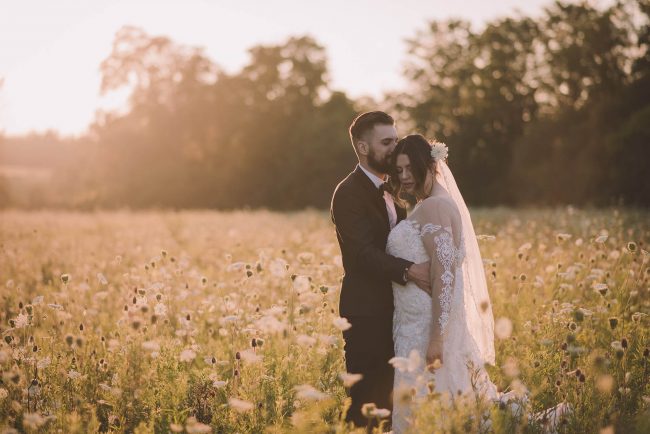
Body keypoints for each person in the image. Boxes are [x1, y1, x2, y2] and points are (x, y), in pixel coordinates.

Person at [386, 134, 571, 433]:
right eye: (399, 170)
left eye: (410, 168)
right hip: (416, 327)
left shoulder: (434, 207)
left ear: (430, 166)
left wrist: (436, 340)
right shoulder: (432, 203)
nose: (404, 176)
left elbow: (445, 275)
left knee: (437, 410)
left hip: (427, 330)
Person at [330, 112, 431, 430]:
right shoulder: (347, 193)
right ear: (363, 147)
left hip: (399, 312)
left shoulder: (395, 192)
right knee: (366, 407)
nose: (395, 148)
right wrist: (411, 271)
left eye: (396, 140)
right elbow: (362, 254)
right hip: (366, 315)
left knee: (393, 401)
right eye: (387, 142)